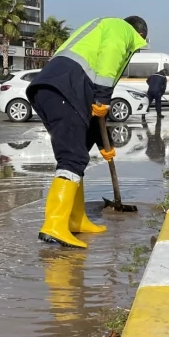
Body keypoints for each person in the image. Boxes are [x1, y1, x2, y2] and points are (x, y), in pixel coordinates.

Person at [26, 15, 149, 249]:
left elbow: (94, 116)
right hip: (64, 89)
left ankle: (75, 219)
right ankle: (54, 225)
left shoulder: (99, 32)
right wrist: (104, 96)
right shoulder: (120, 29)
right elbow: (110, 58)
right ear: (140, 35)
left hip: (56, 89)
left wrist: (105, 146)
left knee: (79, 150)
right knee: (72, 158)